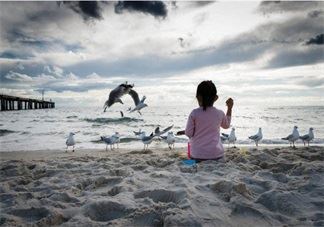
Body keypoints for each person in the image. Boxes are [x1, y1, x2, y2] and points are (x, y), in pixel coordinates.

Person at [177, 80, 233, 161]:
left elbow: (189, 133)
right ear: (216, 98)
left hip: (197, 155)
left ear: (198, 97)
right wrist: (229, 108)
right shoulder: (220, 113)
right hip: (216, 155)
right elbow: (226, 126)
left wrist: (184, 131)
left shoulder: (194, 113)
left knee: (186, 160)